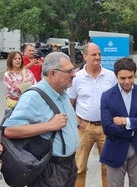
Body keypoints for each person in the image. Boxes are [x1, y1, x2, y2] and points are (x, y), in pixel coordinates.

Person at [2, 52, 79, 186]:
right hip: (51, 170)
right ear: (52, 73)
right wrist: (49, 125)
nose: (74, 74)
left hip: (69, 165)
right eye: (69, 71)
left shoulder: (62, 91)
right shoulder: (33, 97)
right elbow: (10, 131)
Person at [67, 42, 117, 187]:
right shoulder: (77, 78)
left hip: (106, 128)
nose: (98, 57)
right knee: (79, 168)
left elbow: (116, 102)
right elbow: (69, 104)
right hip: (84, 128)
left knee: (108, 168)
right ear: (85, 56)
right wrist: (77, 122)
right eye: (94, 54)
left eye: (99, 54)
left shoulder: (110, 76)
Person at [100, 57, 137, 187]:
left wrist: (125, 121)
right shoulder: (107, 96)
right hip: (115, 149)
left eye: (130, 77)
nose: (127, 81)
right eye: (122, 78)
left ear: (135, 74)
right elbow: (107, 128)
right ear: (116, 76)